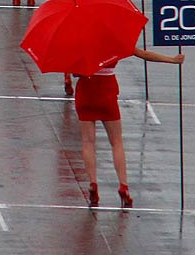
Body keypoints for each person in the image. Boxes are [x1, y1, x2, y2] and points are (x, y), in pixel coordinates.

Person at [73, 45, 184, 208]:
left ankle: (93, 183)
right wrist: (172, 60)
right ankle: (123, 185)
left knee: (88, 142)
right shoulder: (115, 40)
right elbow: (144, 54)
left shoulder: (81, 41)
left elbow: (75, 71)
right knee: (116, 142)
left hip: (86, 90)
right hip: (107, 90)